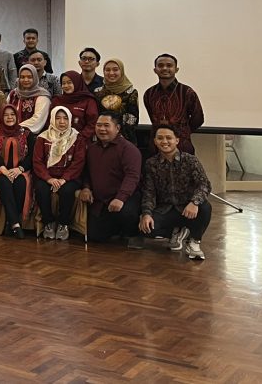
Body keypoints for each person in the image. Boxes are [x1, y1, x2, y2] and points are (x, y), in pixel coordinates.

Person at [139, 125, 212, 260]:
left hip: (187, 208)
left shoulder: (190, 160)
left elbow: (204, 184)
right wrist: (146, 214)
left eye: (169, 138)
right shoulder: (151, 163)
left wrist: (194, 202)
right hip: (166, 209)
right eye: (160, 138)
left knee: (205, 207)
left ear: (177, 140)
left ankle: (194, 242)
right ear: (155, 141)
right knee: (147, 228)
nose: (164, 141)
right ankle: (176, 231)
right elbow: (149, 191)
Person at [78, 113, 142, 245]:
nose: (102, 129)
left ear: (117, 128)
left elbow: (132, 176)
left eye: (106, 125)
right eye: (99, 125)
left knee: (126, 214)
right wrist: (86, 188)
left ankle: (131, 233)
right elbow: (87, 173)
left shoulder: (129, 149)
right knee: (94, 236)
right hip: (101, 201)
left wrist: (120, 198)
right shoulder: (91, 149)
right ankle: (115, 229)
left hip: (124, 199)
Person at [33, 106, 87, 241]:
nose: (62, 122)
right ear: (52, 119)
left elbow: (78, 162)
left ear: (70, 120)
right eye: (57, 118)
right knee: (41, 190)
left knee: (67, 191)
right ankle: (48, 223)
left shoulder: (77, 137)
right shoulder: (43, 137)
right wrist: (48, 178)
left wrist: (64, 179)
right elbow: (37, 161)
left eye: (65, 118)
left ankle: (63, 224)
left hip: (70, 177)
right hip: (47, 176)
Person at [0, 104, 34, 238]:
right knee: (4, 182)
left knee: (20, 183)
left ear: (17, 116)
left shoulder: (26, 132)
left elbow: (32, 155)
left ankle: (10, 222)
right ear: (1, 116)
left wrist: (20, 169)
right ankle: (15, 224)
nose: (9, 117)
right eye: (6, 115)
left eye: (12, 114)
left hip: (21, 170)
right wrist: (4, 170)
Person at [143, 54, 204, 154]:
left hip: (181, 145)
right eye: (161, 65)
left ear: (176, 69)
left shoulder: (187, 92)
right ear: (155, 70)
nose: (165, 68)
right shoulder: (149, 93)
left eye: (169, 65)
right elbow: (152, 117)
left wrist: (182, 131)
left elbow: (198, 118)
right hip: (156, 146)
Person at [92, 58, 140, 144]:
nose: (111, 73)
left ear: (121, 71)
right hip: (101, 137)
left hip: (125, 139)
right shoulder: (97, 92)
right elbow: (95, 116)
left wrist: (115, 134)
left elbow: (132, 118)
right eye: (107, 70)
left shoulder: (131, 92)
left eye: (115, 69)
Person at [52, 71, 99, 140]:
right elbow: (50, 122)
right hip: (57, 140)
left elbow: (92, 124)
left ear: (77, 82)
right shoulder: (57, 100)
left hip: (81, 141)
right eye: (63, 83)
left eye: (69, 82)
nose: (66, 86)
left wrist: (78, 138)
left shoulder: (88, 100)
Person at [7, 64, 52, 134]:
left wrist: (16, 128)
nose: (25, 80)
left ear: (35, 78)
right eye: (22, 77)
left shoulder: (42, 96)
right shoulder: (13, 93)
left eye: (29, 77)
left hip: (31, 136)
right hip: (10, 133)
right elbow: (5, 112)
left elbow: (37, 119)